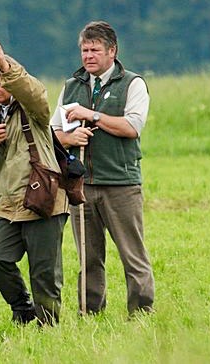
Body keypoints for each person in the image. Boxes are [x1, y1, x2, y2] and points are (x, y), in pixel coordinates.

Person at [50, 21, 155, 317]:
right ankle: (90, 314)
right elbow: (52, 133)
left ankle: (142, 313)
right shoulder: (71, 86)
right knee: (89, 258)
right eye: (84, 50)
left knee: (132, 255)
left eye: (95, 49)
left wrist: (92, 115)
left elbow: (132, 126)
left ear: (112, 51)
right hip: (81, 186)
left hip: (121, 184)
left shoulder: (132, 84)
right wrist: (69, 138)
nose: (88, 56)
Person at [0, 38, 69, 326]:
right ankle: (23, 308)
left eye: (0, 83)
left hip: (43, 199)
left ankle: (48, 328)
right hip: (9, 206)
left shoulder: (32, 108)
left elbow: (34, 93)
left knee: (44, 272)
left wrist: (10, 68)